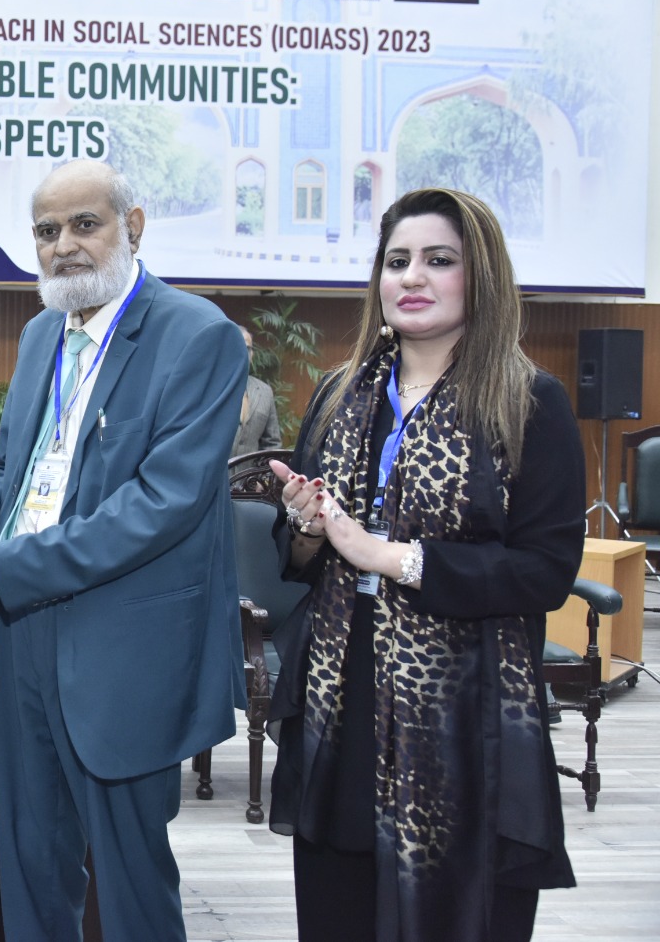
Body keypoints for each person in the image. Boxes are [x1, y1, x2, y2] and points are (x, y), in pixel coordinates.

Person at [0, 159, 248, 941]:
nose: (63, 245)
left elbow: (159, 505)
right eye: (46, 230)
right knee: (31, 868)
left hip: (123, 648)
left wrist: (4, 565)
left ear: (132, 227)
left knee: (132, 889)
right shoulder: (41, 335)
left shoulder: (197, 336)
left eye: (83, 224)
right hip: (23, 638)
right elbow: (19, 474)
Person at [265, 188, 582, 942]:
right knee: (338, 908)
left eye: (439, 260)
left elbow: (543, 572)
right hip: (342, 693)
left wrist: (392, 558)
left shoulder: (529, 402)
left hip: (467, 711)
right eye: (396, 260)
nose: (412, 277)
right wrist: (308, 527)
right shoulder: (341, 395)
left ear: (482, 277)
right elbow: (301, 560)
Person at [231, 326, 282, 457]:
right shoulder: (209, 389)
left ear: (252, 354)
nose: (243, 353)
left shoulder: (265, 392)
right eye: (237, 346)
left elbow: (272, 445)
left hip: (250, 470)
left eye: (248, 349)